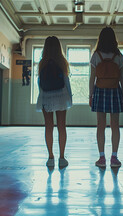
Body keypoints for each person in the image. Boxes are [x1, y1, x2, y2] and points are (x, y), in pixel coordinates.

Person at [89, 27, 123, 168]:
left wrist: (91, 95)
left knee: (100, 125)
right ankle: (114, 157)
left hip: (99, 91)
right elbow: (122, 79)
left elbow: (92, 78)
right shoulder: (119, 56)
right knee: (115, 125)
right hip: (115, 91)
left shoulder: (96, 56)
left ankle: (101, 158)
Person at [36, 36, 72, 168]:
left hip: (46, 96)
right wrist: (69, 99)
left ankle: (50, 157)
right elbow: (66, 82)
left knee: (48, 127)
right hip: (61, 96)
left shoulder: (42, 63)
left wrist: (42, 97)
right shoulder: (62, 62)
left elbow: (39, 83)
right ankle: (62, 158)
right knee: (62, 127)